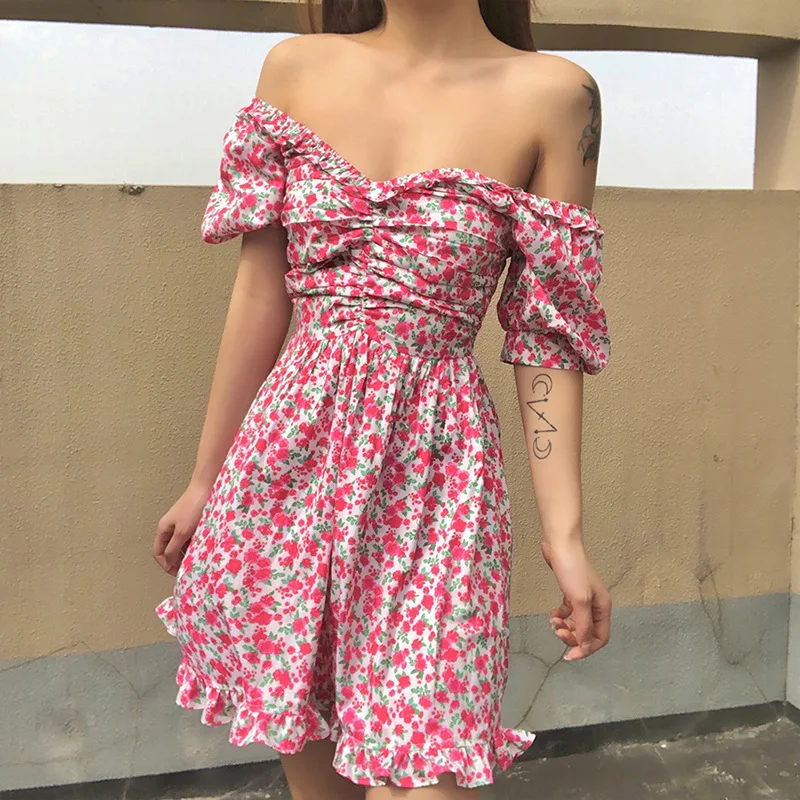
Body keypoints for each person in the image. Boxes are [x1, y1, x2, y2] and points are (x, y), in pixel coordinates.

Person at [152, 1, 612, 798]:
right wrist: (205, 478)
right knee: (314, 768)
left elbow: (548, 336)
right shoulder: (296, 70)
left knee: (424, 773)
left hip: (436, 486)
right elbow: (261, 293)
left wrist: (564, 535)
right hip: (288, 475)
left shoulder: (556, 96)